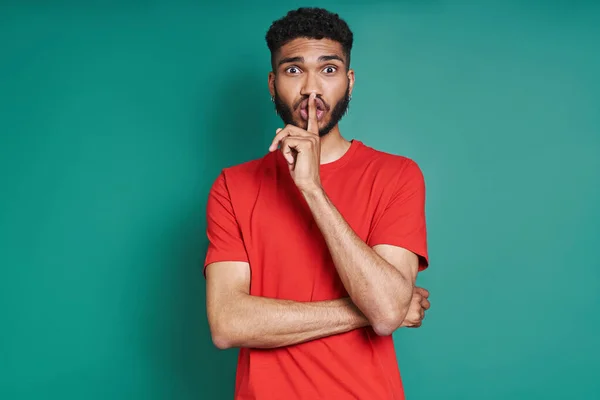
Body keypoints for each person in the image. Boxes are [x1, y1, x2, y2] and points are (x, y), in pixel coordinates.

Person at [203, 7, 431, 400]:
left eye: (328, 69)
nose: (312, 88)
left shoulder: (397, 175)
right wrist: (371, 311)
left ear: (349, 81)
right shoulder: (232, 186)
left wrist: (312, 189)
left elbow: (388, 307)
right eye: (294, 70)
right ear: (272, 84)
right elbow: (227, 323)